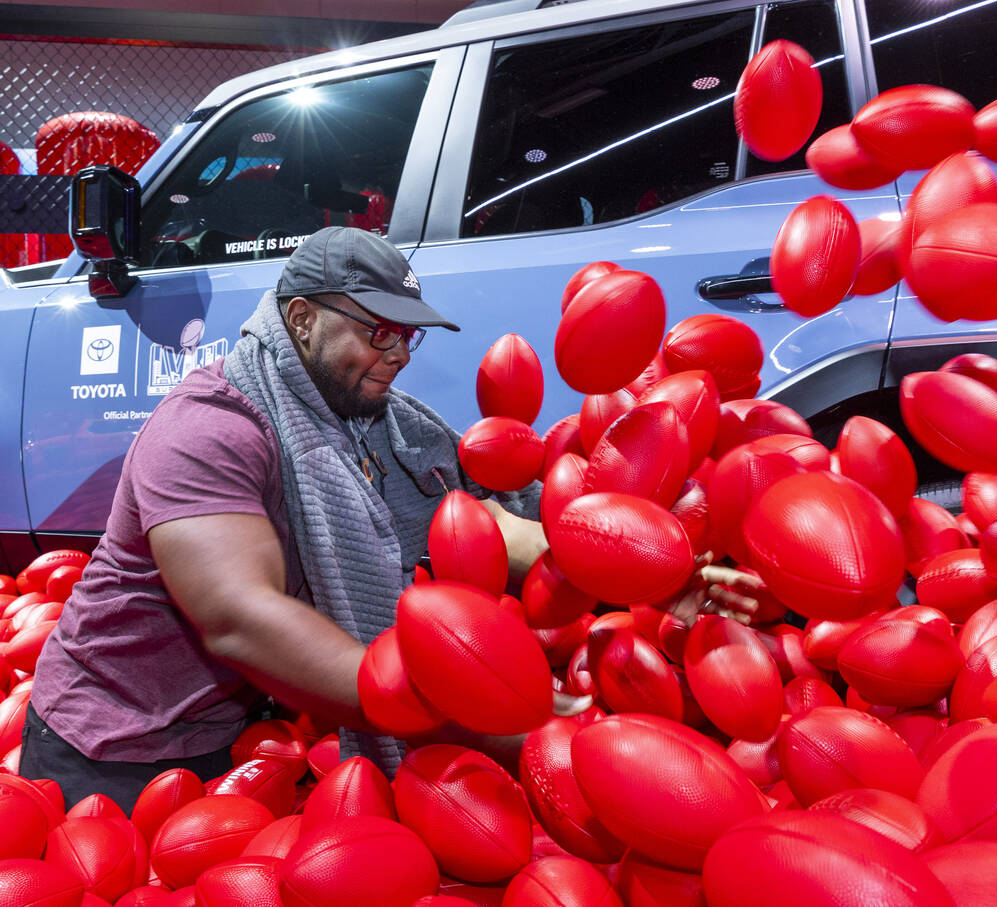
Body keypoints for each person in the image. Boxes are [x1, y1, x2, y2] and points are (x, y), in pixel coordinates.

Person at [21, 227, 760, 811]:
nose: (400, 354)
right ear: (302, 320)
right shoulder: (212, 425)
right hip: (111, 749)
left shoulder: (380, 423)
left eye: (410, 334)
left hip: (234, 734)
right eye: (379, 331)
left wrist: (650, 582)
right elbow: (239, 617)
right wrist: (448, 706)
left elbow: (482, 526)